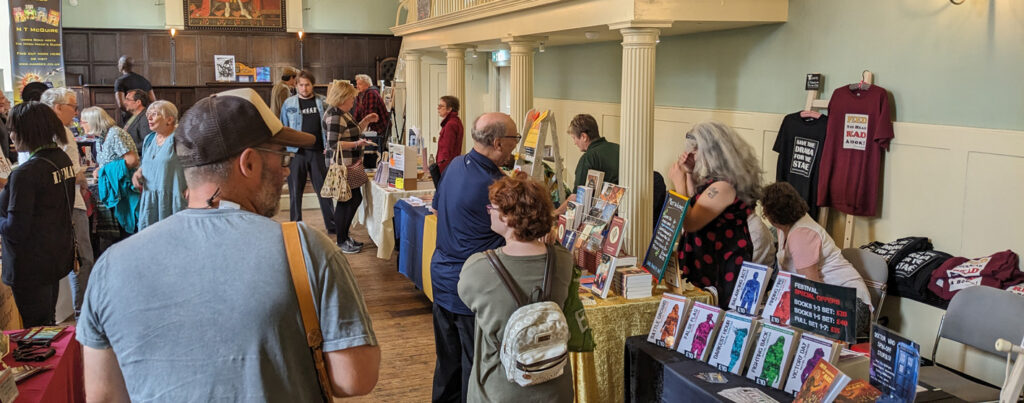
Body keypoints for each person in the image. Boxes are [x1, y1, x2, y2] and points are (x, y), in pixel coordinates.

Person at [77, 88, 380, 401]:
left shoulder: (112, 265)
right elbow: (354, 378)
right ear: (248, 163)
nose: (286, 170)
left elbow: (104, 396)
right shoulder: (305, 248)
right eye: (281, 158)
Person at [458, 172, 575, 403]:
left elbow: (466, 298)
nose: (489, 212)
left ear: (507, 217)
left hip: (500, 389)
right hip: (555, 388)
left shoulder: (478, 268)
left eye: (492, 207)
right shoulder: (563, 261)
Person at [430, 112, 518, 403]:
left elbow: (437, 209)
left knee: (448, 363)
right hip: (472, 287)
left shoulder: (456, 165)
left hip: (443, 278)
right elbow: (521, 234)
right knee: (475, 368)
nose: (515, 146)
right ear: (497, 143)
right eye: (513, 140)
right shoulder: (496, 186)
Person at [667, 120, 763, 309]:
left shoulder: (724, 186)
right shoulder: (716, 180)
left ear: (712, 151)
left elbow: (691, 222)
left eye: (696, 149)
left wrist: (678, 184)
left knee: (714, 312)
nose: (692, 153)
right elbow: (697, 201)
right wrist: (688, 173)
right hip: (707, 254)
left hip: (721, 260)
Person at [760, 181, 873, 333]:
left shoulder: (801, 235)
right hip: (832, 302)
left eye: (765, 212)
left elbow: (811, 290)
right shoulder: (785, 228)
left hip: (850, 307)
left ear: (773, 215)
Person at [0, 102, 76, 327]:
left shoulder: (26, 173)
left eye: (13, 130)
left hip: (30, 265)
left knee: (35, 330)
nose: (11, 136)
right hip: (54, 255)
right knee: (46, 324)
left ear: (28, 131)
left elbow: (16, 230)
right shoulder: (61, 159)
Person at [39, 88, 95, 319]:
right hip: (69, 203)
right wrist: (81, 176)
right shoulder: (56, 132)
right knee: (82, 258)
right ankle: (83, 314)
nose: (76, 111)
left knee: (79, 259)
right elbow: (64, 170)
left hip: (68, 201)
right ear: (57, 107)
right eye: (72, 106)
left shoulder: (57, 131)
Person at [323, 80, 378, 253]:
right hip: (342, 165)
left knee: (353, 199)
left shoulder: (343, 113)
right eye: (351, 99)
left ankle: (345, 236)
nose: (354, 102)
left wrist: (366, 120)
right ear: (342, 98)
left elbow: (354, 131)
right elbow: (333, 144)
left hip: (350, 163)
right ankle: (341, 240)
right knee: (346, 200)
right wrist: (356, 144)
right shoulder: (335, 116)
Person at [279, 70, 337, 234]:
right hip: (297, 153)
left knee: (324, 192)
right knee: (295, 191)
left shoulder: (323, 102)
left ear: (313, 85)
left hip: (318, 152)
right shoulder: (288, 104)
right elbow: (283, 128)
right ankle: (294, 225)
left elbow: (330, 127)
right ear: (296, 85)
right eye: (301, 85)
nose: (304, 88)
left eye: (307, 85)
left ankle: (332, 225)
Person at [80, 106, 140, 234]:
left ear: (93, 121)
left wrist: (104, 171)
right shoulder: (100, 138)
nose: (80, 125)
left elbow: (132, 160)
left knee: (130, 230)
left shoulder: (115, 134)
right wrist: (100, 169)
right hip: (115, 187)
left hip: (126, 188)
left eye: (83, 122)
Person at [133, 100, 187, 230]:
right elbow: (146, 163)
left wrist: (193, 188)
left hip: (173, 198)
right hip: (150, 200)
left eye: (155, 114)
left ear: (169, 119)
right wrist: (138, 173)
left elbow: (196, 165)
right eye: (148, 115)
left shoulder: (181, 139)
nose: (149, 118)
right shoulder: (149, 139)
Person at [554, 114, 619, 215]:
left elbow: (576, 197)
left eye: (574, 138)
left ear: (584, 137)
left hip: (602, 217)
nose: (574, 143)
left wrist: (556, 213)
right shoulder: (618, 149)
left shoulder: (588, 158)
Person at [113, 56, 156, 125]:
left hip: (129, 117)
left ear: (122, 65)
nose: (118, 65)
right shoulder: (144, 80)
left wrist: (135, 115)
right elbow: (153, 100)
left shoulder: (120, 81)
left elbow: (121, 104)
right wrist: (143, 114)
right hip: (144, 116)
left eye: (119, 63)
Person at [435, 95, 463, 175]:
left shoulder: (450, 124)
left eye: (441, 106)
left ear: (449, 109)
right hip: (450, 165)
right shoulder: (455, 121)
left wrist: (440, 168)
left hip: (446, 168)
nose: (438, 108)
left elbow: (447, 151)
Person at [122, 89, 152, 153]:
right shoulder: (132, 116)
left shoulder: (145, 118)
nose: (124, 102)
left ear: (138, 102)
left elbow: (147, 142)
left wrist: (126, 149)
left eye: (128, 99)